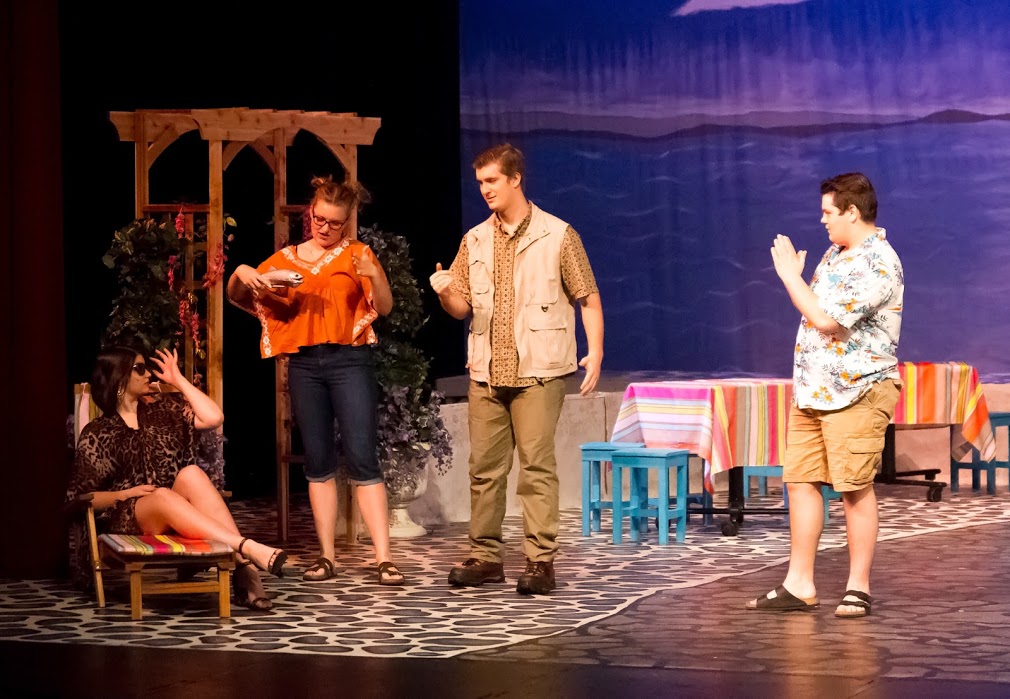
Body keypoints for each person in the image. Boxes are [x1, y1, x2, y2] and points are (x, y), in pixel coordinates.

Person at [429, 143, 603, 595]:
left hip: (539, 371)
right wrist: (445, 292)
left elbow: (587, 296)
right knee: (484, 469)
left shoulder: (558, 234)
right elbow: (462, 307)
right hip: (487, 372)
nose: (485, 189)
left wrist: (596, 350)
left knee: (536, 468)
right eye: (480, 182)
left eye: (492, 180)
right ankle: (486, 557)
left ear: (514, 179)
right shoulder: (474, 239)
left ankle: (540, 561)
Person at [227, 175, 404, 586]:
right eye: (320, 219)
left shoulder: (357, 254)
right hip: (305, 365)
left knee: (362, 456)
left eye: (335, 223)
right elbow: (238, 293)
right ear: (311, 213)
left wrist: (375, 275)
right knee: (318, 459)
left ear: (347, 222)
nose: (325, 228)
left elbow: (385, 307)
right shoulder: (287, 259)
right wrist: (242, 270)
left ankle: (383, 558)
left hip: (349, 360)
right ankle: (326, 556)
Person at [748, 172, 903, 618]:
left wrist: (788, 277)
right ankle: (799, 583)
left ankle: (858, 586)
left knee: (854, 486)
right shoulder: (836, 254)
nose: (822, 220)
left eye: (828, 212)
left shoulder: (878, 261)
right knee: (801, 481)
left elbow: (827, 321)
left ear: (852, 212)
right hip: (814, 390)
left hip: (857, 390)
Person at [67, 346, 287, 611]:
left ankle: (244, 566)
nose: (148, 374)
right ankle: (247, 557)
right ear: (119, 377)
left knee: (191, 473)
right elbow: (80, 497)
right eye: (139, 369)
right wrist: (124, 494)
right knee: (161, 495)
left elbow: (215, 417)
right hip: (127, 516)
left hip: (173, 506)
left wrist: (178, 380)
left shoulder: (165, 412)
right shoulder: (98, 432)